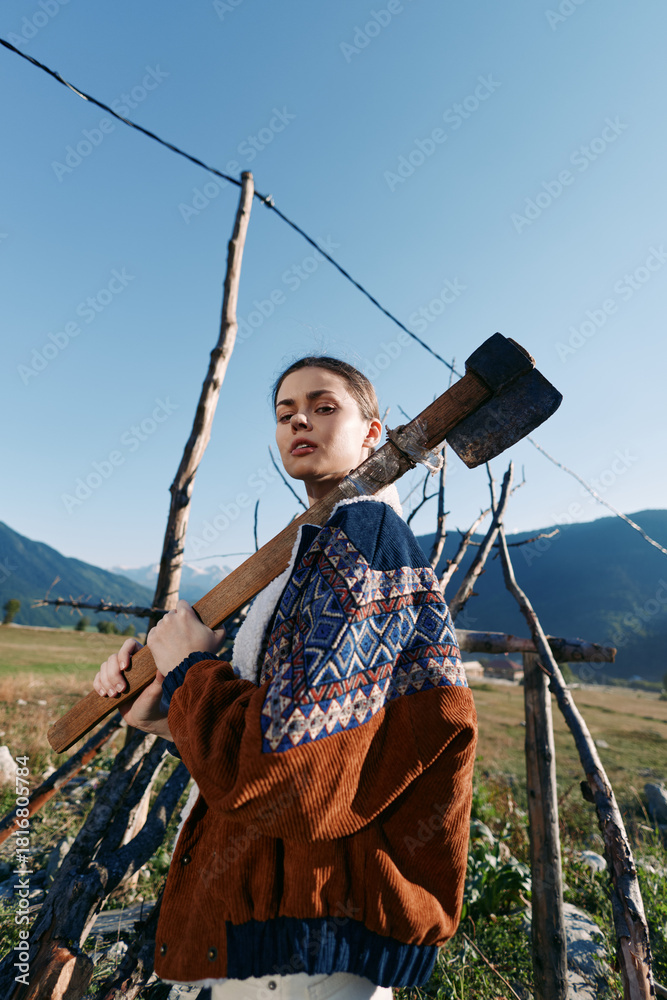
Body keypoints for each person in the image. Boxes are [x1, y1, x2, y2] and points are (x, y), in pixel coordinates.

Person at [94, 356, 477, 1000]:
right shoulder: (316, 552)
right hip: (271, 926)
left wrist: (192, 670)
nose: (299, 418)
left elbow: (293, 777)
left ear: (373, 433)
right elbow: (291, 742)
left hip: (308, 945)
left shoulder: (366, 543)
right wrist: (165, 711)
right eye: (285, 412)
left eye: (325, 406)